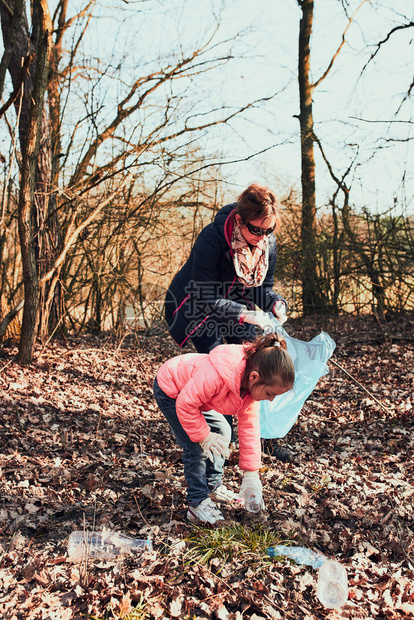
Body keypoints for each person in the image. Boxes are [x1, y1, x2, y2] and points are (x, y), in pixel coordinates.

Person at [153, 332, 295, 525]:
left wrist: (251, 474)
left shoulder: (251, 391)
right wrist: (203, 436)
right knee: (196, 446)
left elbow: (250, 428)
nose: (270, 399)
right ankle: (196, 504)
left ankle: (213, 486)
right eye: (270, 393)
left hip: (195, 398)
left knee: (222, 432)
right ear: (254, 377)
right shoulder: (217, 375)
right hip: (171, 389)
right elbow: (186, 404)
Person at [165, 183, 288, 354]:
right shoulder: (211, 238)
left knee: (248, 356)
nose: (262, 237)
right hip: (199, 306)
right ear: (239, 220)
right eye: (256, 230)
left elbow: (262, 289)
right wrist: (247, 315)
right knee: (217, 358)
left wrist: (276, 304)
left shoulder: (268, 244)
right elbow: (204, 295)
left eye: (269, 230)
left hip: (238, 302)